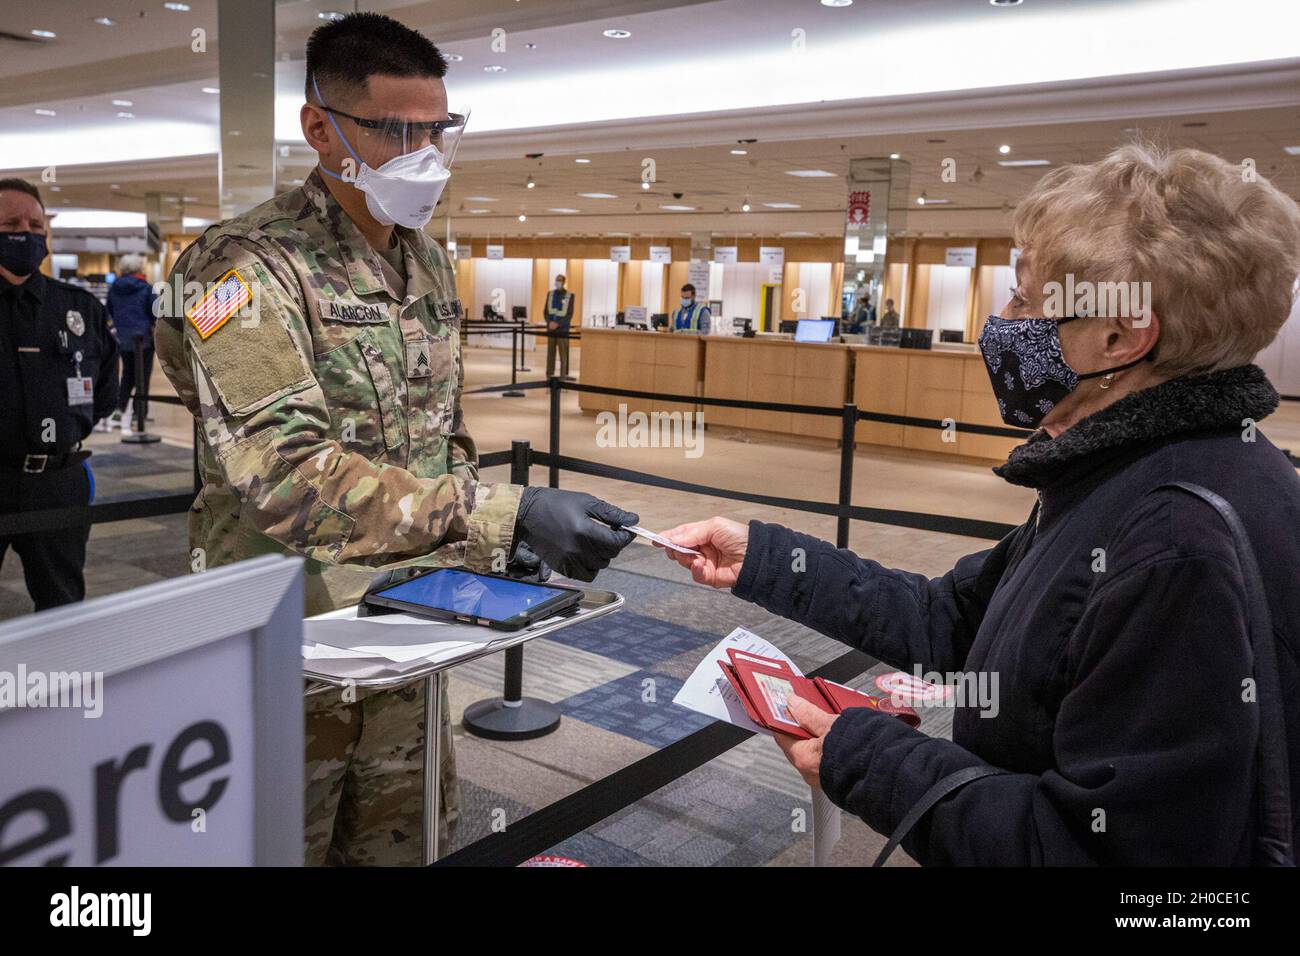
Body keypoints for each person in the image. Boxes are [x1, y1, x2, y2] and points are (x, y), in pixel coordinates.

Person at [659, 144, 1300, 865]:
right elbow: (955, 619)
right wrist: (770, 559)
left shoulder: (1173, 539)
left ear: (1120, 336)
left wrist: (868, 754)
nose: (1001, 322)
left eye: (1025, 301)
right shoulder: (1127, 475)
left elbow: (1098, 858)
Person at [154, 12, 638, 866]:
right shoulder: (238, 267)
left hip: (411, 627)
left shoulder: (425, 262)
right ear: (322, 128)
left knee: (404, 844)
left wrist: (484, 556)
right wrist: (499, 516)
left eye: (437, 130)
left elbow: (445, 432)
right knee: (270, 847)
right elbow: (285, 476)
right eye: (394, 130)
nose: (423, 153)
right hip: (287, 641)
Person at [0, 178, 118, 611]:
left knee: (63, 608)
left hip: (57, 482)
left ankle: (59, 683)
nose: (26, 233)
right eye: (11, 223)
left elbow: (105, 391)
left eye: (36, 225)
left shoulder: (79, 308)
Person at [102, 253, 158, 434]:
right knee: (143, 376)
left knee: (127, 375)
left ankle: (119, 410)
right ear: (139, 268)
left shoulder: (114, 288)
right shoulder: (146, 288)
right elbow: (155, 311)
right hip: (144, 340)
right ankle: (139, 413)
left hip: (123, 340)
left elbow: (108, 310)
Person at [544, 273, 574, 378]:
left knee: (563, 355)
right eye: (556, 280)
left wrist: (558, 324)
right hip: (551, 329)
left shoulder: (570, 295)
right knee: (550, 354)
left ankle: (563, 377)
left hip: (563, 330)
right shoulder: (550, 294)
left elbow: (569, 315)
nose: (558, 282)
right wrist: (549, 323)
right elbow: (546, 312)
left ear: (564, 282)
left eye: (560, 280)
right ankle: (549, 375)